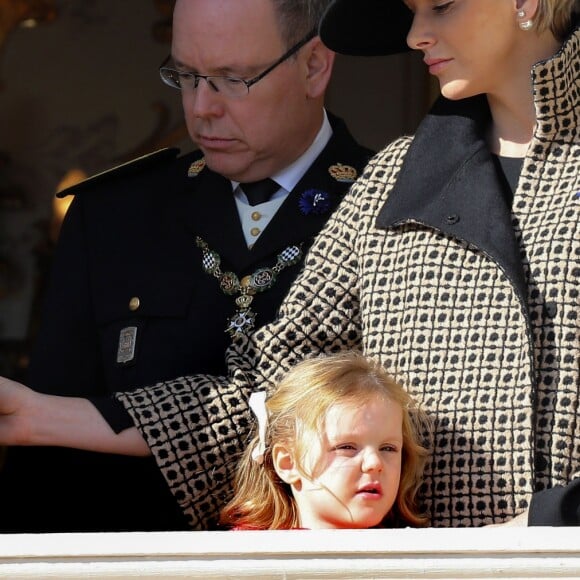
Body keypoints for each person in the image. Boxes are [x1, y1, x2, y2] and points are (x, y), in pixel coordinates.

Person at [0, 0, 578, 529]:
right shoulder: (395, 182)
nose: (415, 32)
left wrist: (548, 526)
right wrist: (34, 415)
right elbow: (264, 396)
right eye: (409, 8)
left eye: (440, 6)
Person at [0, 0, 372, 533]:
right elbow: (46, 453)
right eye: (187, 76)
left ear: (315, 65)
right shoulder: (111, 217)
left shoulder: (393, 207)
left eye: (231, 79)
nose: (201, 108)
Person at [219, 352, 430, 530]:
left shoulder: (410, 554)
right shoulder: (248, 557)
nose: (375, 463)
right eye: (347, 447)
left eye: (388, 448)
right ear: (288, 463)